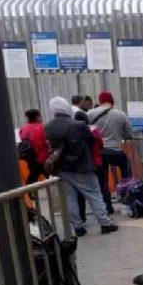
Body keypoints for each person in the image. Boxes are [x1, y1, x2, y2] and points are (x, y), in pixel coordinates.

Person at [44, 97, 118, 237]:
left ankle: (78, 227)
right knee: (94, 195)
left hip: (61, 169)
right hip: (81, 166)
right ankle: (105, 223)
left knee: (70, 198)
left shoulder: (49, 126)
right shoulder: (78, 125)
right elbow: (91, 142)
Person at [87, 91, 133, 214]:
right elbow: (128, 134)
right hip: (116, 151)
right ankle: (127, 198)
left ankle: (107, 207)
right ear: (111, 100)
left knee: (102, 180)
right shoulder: (121, 115)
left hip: (99, 152)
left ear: (100, 100)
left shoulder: (90, 114)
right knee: (126, 170)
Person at [19, 109, 50, 185]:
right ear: (37, 117)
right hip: (43, 158)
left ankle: (30, 194)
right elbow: (47, 141)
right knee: (48, 177)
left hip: (30, 158)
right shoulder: (42, 127)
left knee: (33, 176)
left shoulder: (23, 129)